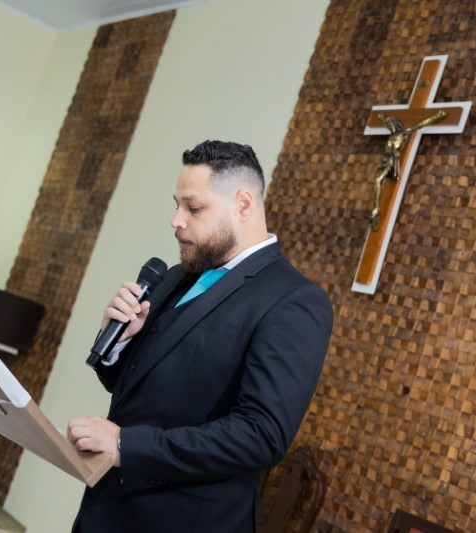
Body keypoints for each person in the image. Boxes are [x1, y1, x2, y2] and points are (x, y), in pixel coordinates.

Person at [67, 140, 333, 532]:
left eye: (193, 208)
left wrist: (127, 445)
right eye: (177, 205)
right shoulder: (177, 276)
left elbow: (261, 436)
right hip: (106, 507)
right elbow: (147, 389)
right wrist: (120, 344)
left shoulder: (293, 300)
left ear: (243, 204)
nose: (176, 220)